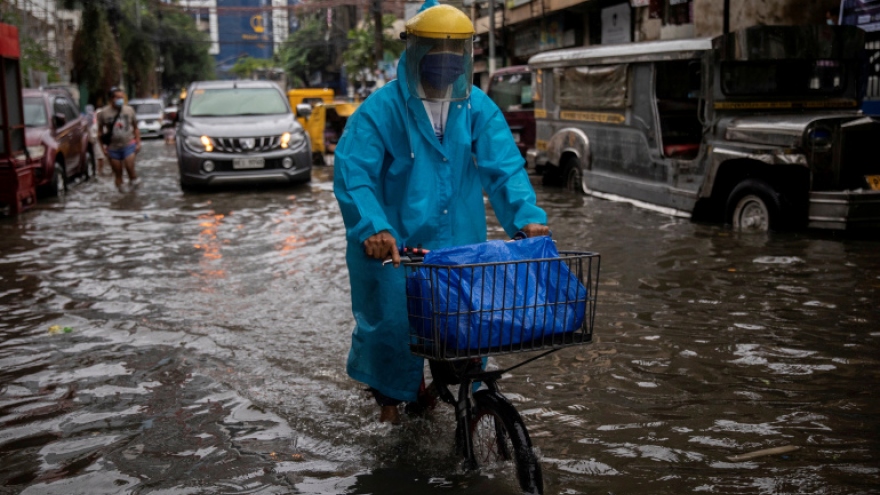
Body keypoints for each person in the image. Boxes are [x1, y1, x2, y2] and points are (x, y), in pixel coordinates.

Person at [333, 0, 549, 425]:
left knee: (466, 337)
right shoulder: (381, 110)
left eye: (456, 53)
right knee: (393, 338)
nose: (446, 63)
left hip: (457, 250)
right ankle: (389, 418)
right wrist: (373, 227)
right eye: (437, 51)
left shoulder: (477, 107)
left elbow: (504, 166)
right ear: (414, 51)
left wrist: (526, 216)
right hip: (395, 250)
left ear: (467, 55)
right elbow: (353, 173)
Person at [98, 88, 141, 192]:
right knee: (118, 174)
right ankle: (121, 196)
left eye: (122, 97)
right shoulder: (103, 113)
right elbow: (99, 133)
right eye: (118, 97)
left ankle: (134, 191)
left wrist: (138, 142)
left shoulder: (129, 110)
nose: (120, 100)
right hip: (113, 147)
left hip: (129, 144)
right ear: (111, 99)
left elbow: (135, 127)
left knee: (130, 167)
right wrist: (102, 148)